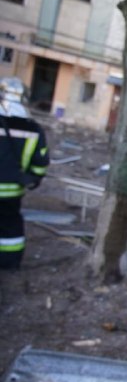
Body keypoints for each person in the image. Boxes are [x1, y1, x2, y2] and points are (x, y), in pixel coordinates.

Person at [0, 78, 48, 270]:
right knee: (10, 227)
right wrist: (33, 178)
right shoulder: (33, 128)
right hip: (12, 191)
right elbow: (40, 163)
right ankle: (9, 263)